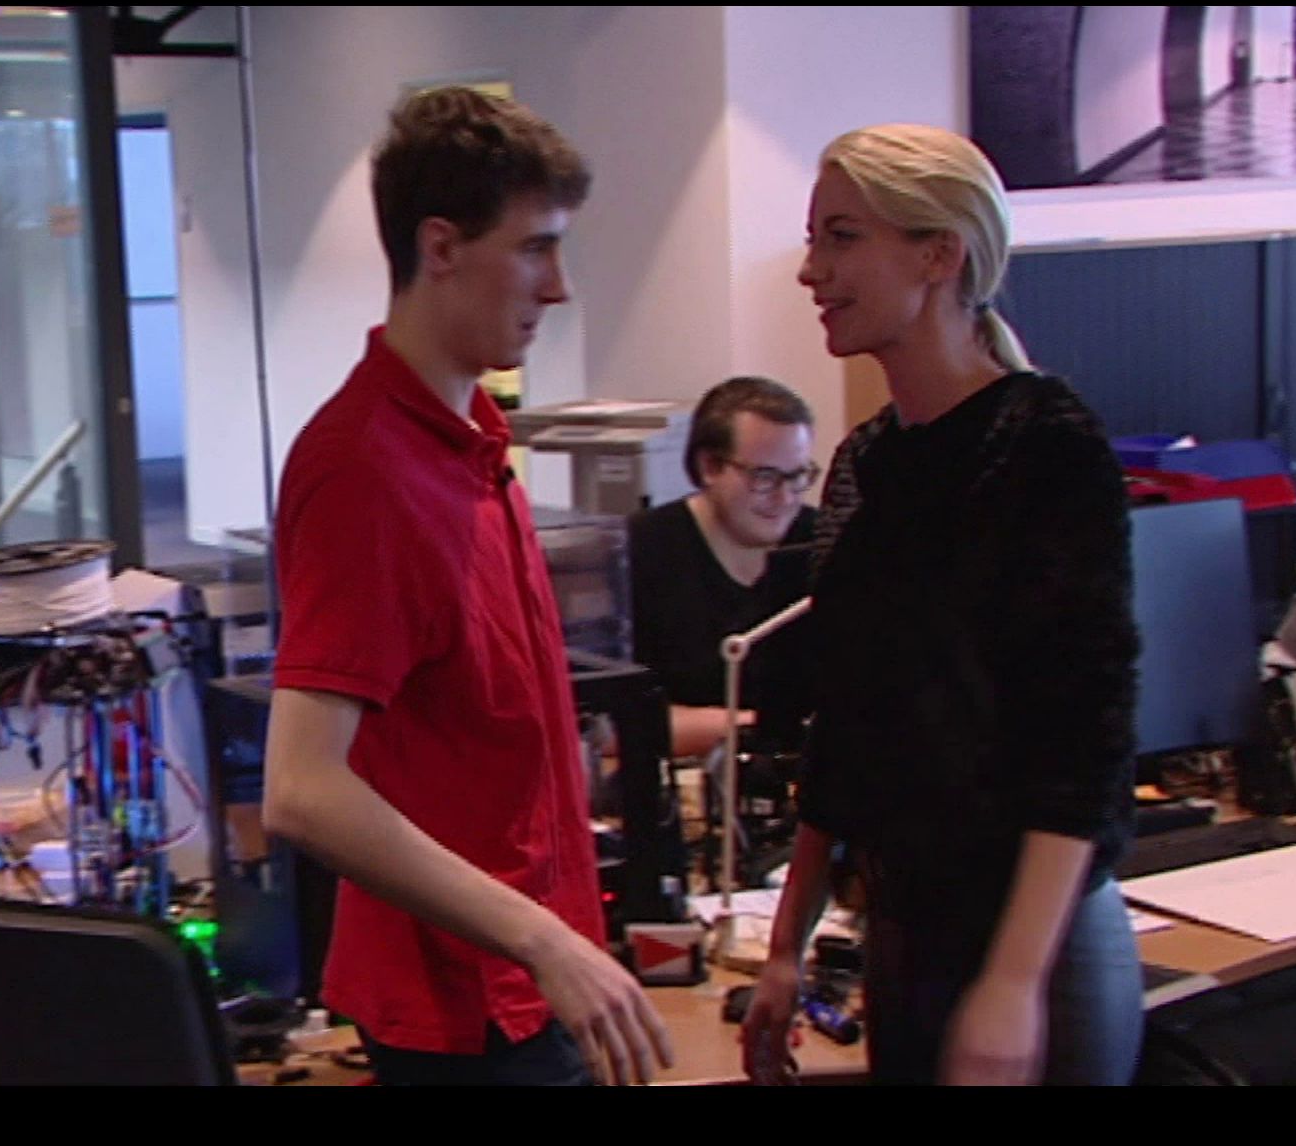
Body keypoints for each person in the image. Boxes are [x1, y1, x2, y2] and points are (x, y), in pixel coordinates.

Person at [260, 86, 674, 1087]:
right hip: (473, 1009)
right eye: (536, 248)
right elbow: (302, 791)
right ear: (440, 247)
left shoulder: (473, 440)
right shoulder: (365, 468)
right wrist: (544, 939)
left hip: (529, 984)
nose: (559, 287)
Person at [741, 123, 1144, 1086]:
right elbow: (844, 728)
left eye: (842, 238)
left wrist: (1012, 985)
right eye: (814, 239)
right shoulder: (865, 462)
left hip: (1037, 952)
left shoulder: (1045, 443)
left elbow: (1083, 741)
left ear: (938, 255)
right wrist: (787, 947)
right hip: (907, 933)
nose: (811, 270)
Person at [627, 376, 819, 761]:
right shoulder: (639, 550)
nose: (785, 498)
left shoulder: (824, 542)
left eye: (797, 476)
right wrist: (757, 727)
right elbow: (613, 726)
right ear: (709, 466)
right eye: (764, 477)